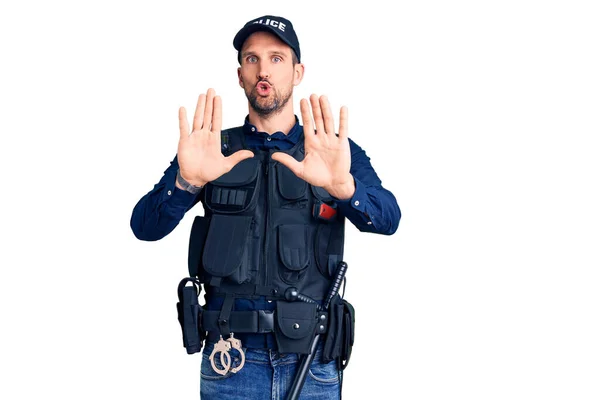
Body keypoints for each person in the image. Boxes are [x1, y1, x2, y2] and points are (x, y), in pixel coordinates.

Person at [130, 15, 400, 400]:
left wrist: (344, 188)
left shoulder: (332, 149)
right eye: (252, 59)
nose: (264, 70)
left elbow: (389, 218)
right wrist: (186, 182)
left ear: (297, 71)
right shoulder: (211, 148)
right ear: (240, 74)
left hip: (313, 362)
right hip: (231, 360)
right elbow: (144, 226)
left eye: (276, 58)